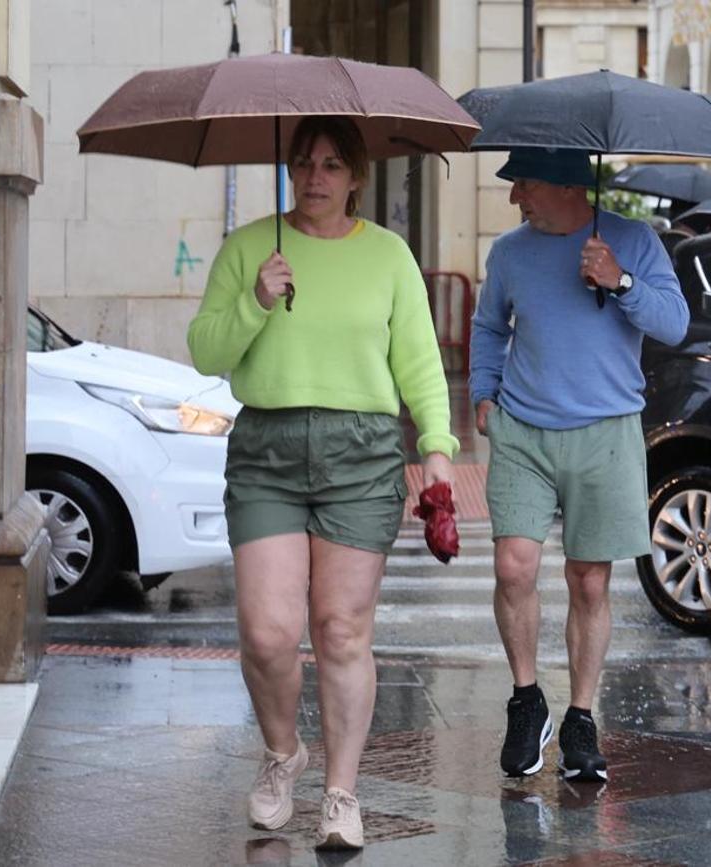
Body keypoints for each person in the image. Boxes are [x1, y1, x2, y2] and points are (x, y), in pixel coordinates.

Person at [188, 116, 457, 849]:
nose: (315, 177)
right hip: (268, 448)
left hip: (361, 453)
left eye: (332, 164)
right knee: (268, 631)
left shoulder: (390, 257)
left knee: (341, 628)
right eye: (303, 161)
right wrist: (257, 300)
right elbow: (206, 348)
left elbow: (420, 365)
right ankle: (283, 754)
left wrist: (436, 447)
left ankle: (340, 793)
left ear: (356, 176)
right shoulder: (250, 248)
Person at [470, 148, 689, 783]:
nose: (515, 198)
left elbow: (674, 323)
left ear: (570, 185)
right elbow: (489, 327)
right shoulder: (509, 253)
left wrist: (620, 281)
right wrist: (485, 392)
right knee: (514, 567)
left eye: (524, 185)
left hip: (606, 431)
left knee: (589, 581)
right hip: (523, 429)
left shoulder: (633, 240)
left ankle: (581, 717)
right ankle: (526, 699)